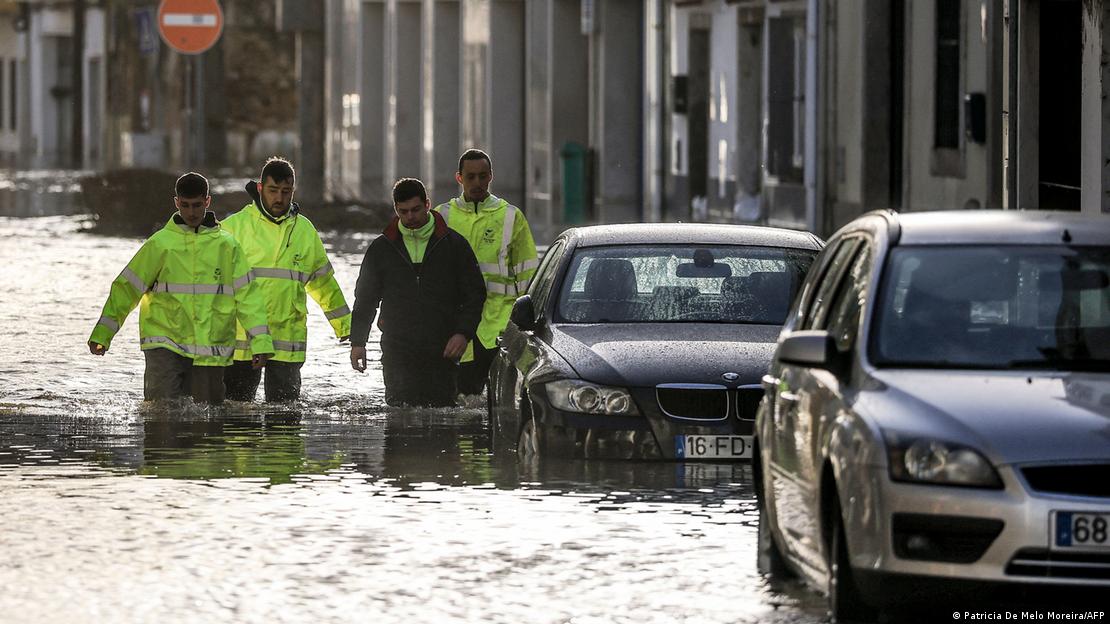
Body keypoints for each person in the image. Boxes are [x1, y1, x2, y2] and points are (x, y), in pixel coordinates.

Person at [87, 172, 274, 404]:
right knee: (161, 416)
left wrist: (261, 342)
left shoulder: (228, 247)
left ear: (207, 201)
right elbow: (126, 289)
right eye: (185, 205)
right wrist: (103, 334)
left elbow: (249, 298)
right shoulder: (160, 244)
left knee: (209, 426)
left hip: (211, 348)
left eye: (197, 205)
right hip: (165, 344)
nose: (192, 212)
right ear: (176, 203)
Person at [220, 157, 352, 402]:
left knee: (285, 421)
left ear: (293, 191)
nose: (279, 198)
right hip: (242, 340)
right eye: (273, 191)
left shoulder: (304, 231)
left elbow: (323, 282)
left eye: (286, 191)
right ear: (260, 188)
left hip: (287, 340)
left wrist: (345, 325)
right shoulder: (232, 228)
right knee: (236, 423)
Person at [350, 178, 486, 407]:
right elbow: (365, 300)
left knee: (442, 420)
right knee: (399, 416)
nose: (410, 217)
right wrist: (358, 342)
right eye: (403, 212)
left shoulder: (454, 245)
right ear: (396, 210)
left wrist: (463, 333)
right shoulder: (382, 249)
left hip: (442, 349)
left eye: (415, 210)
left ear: (427, 204)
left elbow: (475, 294)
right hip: (397, 349)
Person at [434, 149, 539, 396]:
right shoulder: (442, 216)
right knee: (460, 398)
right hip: (456, 325)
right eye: (470, 177)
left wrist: (529, 324)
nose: (477, 183)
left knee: (498, 402)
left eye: (482, 176)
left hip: (499, 324)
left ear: (491, 176)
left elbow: (528, 276)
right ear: (459, 178)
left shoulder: (511, 217)